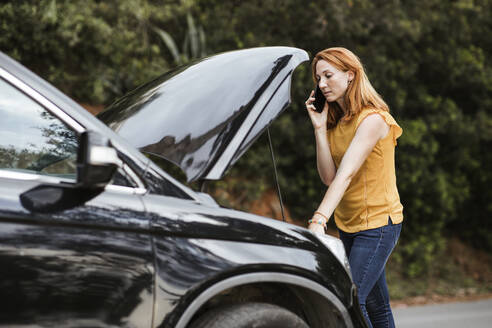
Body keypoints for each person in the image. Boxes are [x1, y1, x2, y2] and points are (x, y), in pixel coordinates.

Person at [305, 47, 403, 328]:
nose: (322, 84)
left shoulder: (372, 120)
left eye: (328, 75)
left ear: (350, 75)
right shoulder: (337, 123)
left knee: (348, 301)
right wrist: (319, 129)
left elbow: (345, 176)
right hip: (349, 224)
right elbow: (329, 176)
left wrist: (318, 220)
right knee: (375, 305)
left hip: (378, 225)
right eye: (318, 78)